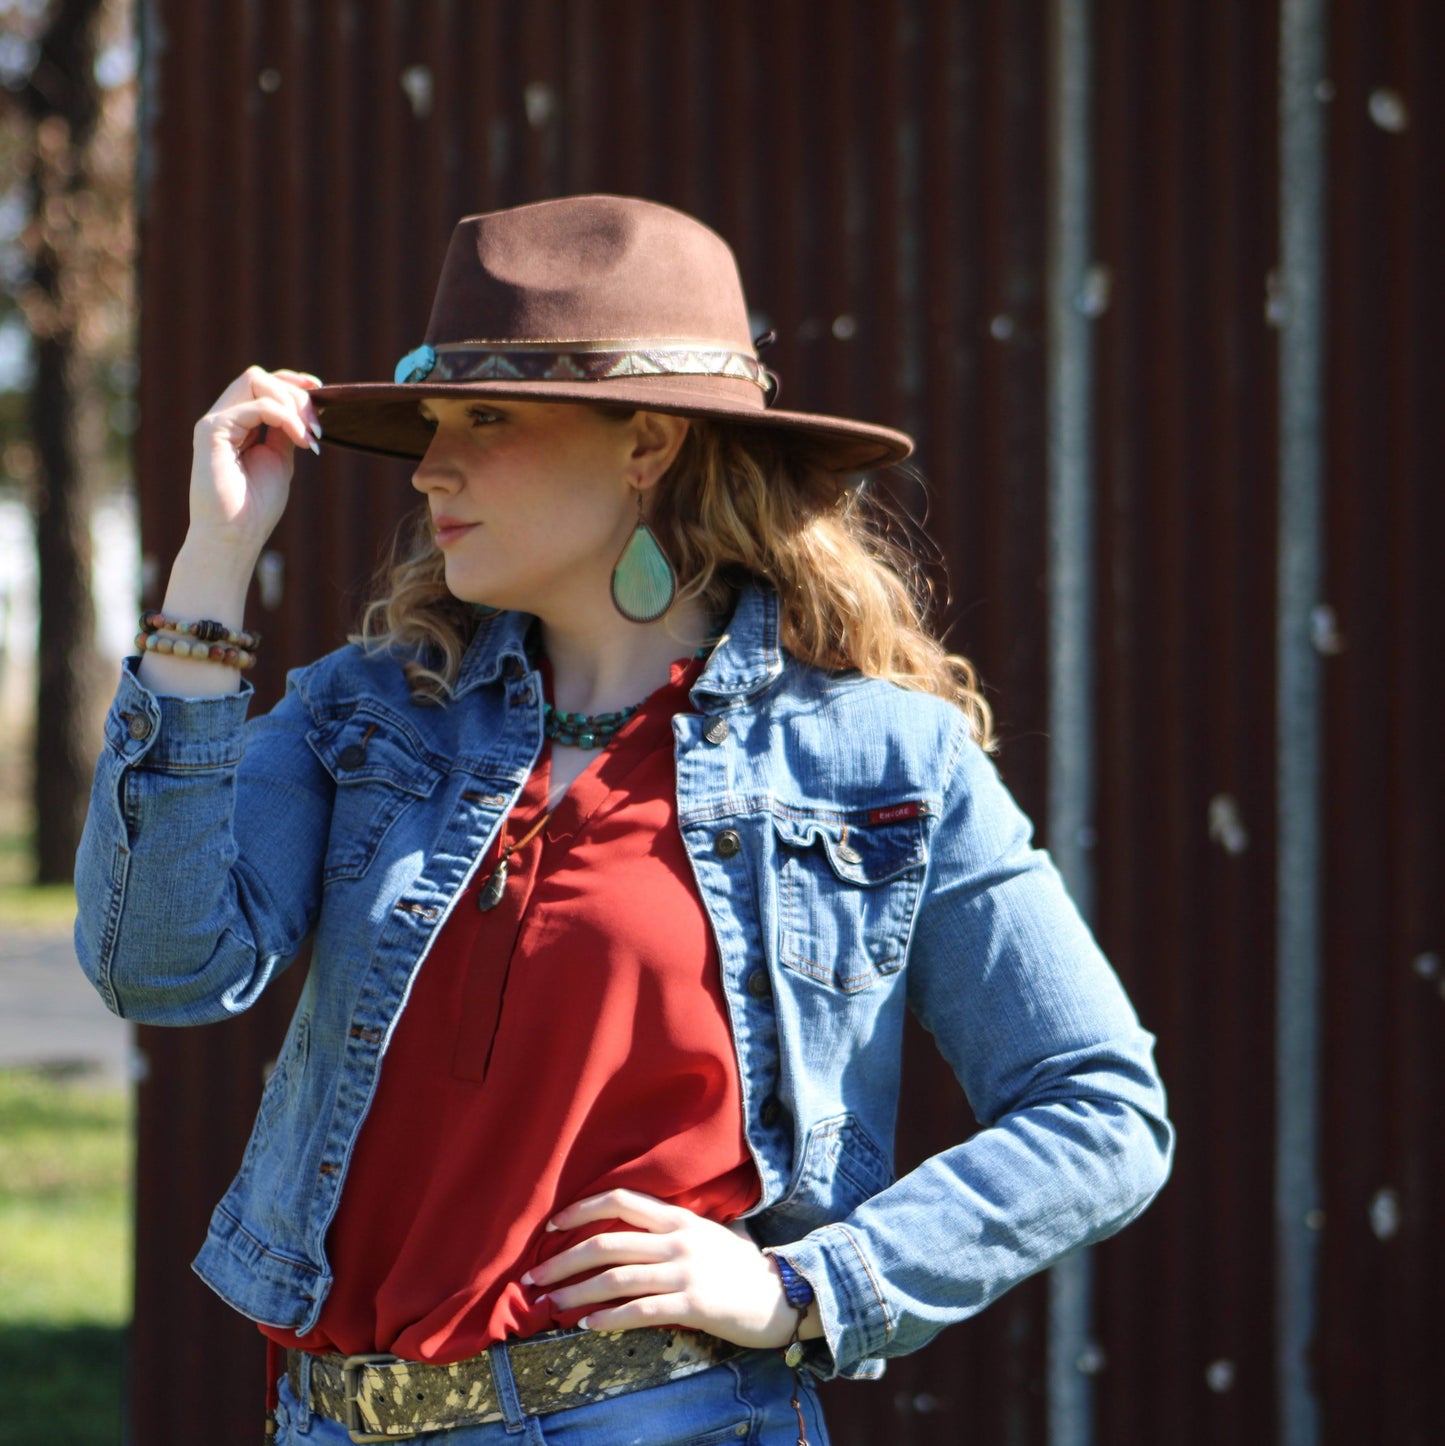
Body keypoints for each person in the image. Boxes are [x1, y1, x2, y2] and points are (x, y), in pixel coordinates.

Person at [76, 195, 1172, 1446]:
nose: (430, 467)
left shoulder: (877, 760)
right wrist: (210, 574)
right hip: (330, 1421)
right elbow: (158, 966)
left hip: (667, 1419)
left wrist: (801, 1288)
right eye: (433, 423)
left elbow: (1100, 1111)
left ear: (646, 444)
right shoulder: (365, 715)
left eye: (487, 419)